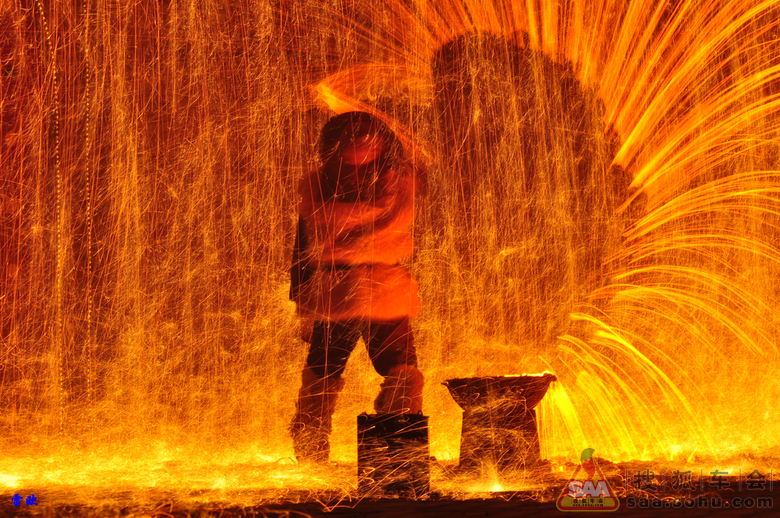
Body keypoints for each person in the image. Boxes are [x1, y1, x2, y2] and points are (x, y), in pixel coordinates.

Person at [289, 111, 424, 462]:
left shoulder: (397, 182)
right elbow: (303, 246)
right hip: (338, 291)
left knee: (402, 371)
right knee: (323, 369)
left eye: (366, 132)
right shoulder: (318, 186)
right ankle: (310, 449)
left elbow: (391, 228)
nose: (359, 139)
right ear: (335, 144)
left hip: (382, 290)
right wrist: (301, 299)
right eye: (350, 133)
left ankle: (398, 450)